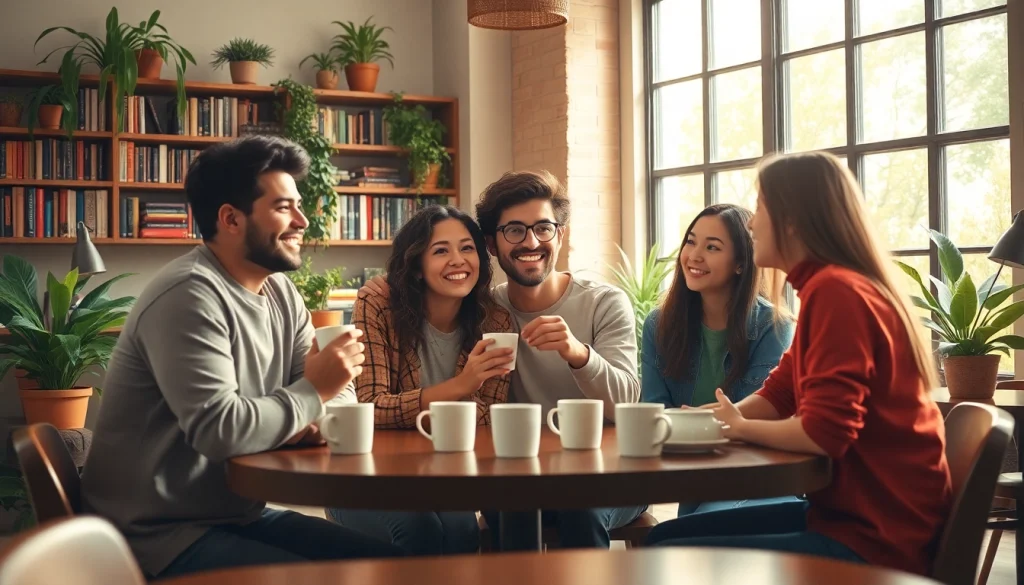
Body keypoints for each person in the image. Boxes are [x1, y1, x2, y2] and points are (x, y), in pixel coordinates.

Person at [79, 135, 402, 581]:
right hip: (155, 537)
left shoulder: (281, 292)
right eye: (284, 207)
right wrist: (312, 391)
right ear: (231, 218)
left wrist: (308, 409)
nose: (303, 221)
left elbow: (339, 396)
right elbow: (221, 430)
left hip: (233, 516)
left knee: (394, 568)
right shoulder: (189, 296)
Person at [647, 151, 952, 578]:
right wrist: (698, 421)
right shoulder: (826, 290)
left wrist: (738, 427)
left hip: (874, 539)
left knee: (663, 549)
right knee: (661, 541)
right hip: (848, 520)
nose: (751, 223)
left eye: (761, 206)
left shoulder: (837, 293)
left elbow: (826, 434)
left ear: (793, 220)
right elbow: (778, 395)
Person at [361, 170, 644, 550]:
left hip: (603, 473)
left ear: (560, 234)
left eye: (544, 228)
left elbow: (627, 401)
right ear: (492, 245)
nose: (531, 241)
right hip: (518, 472)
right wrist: (391, 283)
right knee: (506, 506)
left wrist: (577, 353)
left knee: (580, 509)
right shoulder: (486, 311)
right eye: (514, 230)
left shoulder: (604, 302)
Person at [327, 204, 514, 555]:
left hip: (446, 477)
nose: (458, 260)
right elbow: (370, 407)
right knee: (419, 530)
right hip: (366, 479)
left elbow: (489, 417)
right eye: (441, 250)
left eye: (467, 248)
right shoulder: (378, 302)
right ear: (415, 265)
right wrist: (461, 386)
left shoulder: (496, 322)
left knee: (462, 529)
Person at [642, 203, 797, 518]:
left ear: (741, 263)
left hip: (757, 480)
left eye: (712, 247)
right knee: (673, 539)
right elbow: (655, 414)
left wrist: (689, 426)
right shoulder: (659, 324)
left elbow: (756, 421)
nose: (694, 255)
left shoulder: (773, 327)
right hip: (693, 482)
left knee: (681, 540)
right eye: (691, 241)